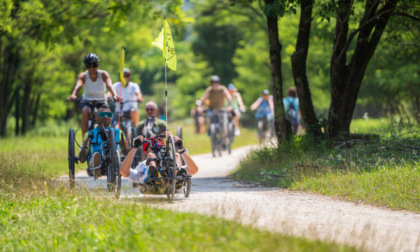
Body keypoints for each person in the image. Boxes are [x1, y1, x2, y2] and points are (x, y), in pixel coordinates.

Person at [67, 53, 119, 137]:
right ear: (85, 66)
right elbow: (78, 85)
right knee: (86, 111)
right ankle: (84, 140)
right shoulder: (83, 76)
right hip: (87, 100)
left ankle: (109, 138)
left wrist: (115, 95)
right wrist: (73, 95)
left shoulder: (103, 74)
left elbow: (109, 85)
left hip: (101, 100)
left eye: (94, 65)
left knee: (106, 114)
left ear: (98, 65)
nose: (91, 68)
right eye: (88, 66)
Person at [120, 134, 198, 186]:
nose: (156, 150)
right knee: (151, 155)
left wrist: (181, 150)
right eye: (152, 147)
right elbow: (124, 172)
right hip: (150, 182)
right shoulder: (142, 166)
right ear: (145, 153)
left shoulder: (169, 161)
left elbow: (193, 170)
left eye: (159, 146)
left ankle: (176, 175)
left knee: (177, 155)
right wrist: (135, 148)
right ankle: (154, 174)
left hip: (171, 175)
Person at [79, 105, 129, 178]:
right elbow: (82, 160)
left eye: (108, 115)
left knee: (119, 159)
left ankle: (115, 164)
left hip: (114, 161)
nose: (106, 116)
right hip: (95, 161)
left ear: (111, 117)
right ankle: (96, 168)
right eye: (102, 114)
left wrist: (126, 147)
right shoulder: (89, 134)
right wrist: (84, 148)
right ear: (96, 117)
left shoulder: (119, 133)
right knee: (96, 156)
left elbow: (126, 153)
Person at [200, 75, 232, 147]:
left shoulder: (222, 89)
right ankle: (210, 131)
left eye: (216, 82)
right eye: (213, 82)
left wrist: (230, 105)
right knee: (207, 118)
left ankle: (223, 143)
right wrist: (199, 106)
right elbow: (203, 98)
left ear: (219, 83)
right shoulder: (209, 90)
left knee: (224, 126)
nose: (215, 84)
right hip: (212, 109)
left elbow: (229, 97)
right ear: (211, 83)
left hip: (222, 110)